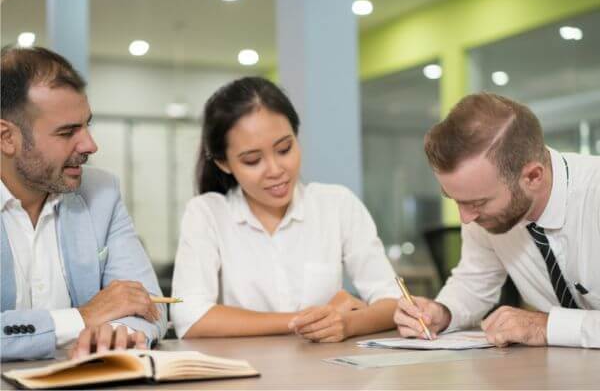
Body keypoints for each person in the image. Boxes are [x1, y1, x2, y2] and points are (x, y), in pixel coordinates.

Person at [171, 77, 400, 342]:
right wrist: (306, 320)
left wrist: (347, 323)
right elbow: (191, 318)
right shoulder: (207, 214)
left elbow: (393, 300)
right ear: (224, 163)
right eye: (253, 160)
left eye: (284, 149)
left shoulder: (337, 204)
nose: (276, 170)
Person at [393, 92, 600, 348]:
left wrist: (546, 327)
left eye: (477, 203)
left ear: (533, 176)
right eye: (454, 199)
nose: (465, 218)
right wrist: (442, 312)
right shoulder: (485, 213)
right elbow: (474, 281)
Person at [0, 47, 167, 362]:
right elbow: (95, 313)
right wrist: (83, 318)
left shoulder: (101, 191)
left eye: (87, 125)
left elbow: (151, 302)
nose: (90, 145)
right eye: (67, 132)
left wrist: (117, 333)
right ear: (6, 137)